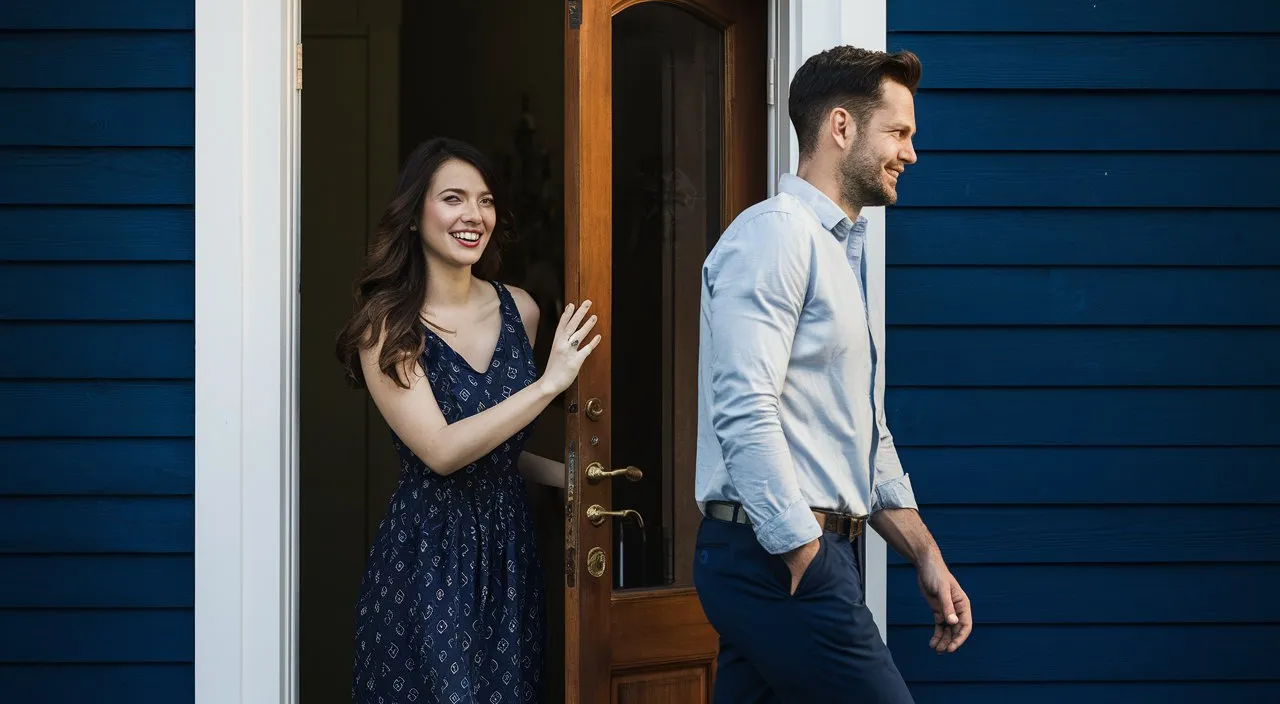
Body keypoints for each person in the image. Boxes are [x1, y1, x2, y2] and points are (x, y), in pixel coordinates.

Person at [692, 47, 972, 702]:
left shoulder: (841, 252)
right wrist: (802, 554)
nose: (911, 153)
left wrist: (924, 554)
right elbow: (743, 407)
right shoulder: (776, 237)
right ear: (841, 127)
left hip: (801, 556)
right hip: (777, 555)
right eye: (898, 132)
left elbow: (862, 436)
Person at [335, 137, 600, 703]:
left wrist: (577, 477)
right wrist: (551, 383)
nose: (472, 216)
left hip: (510, 550)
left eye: (484, 201)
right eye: (453, 198)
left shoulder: (521, 310)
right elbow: (442, 449)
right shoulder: (387, 328)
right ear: (414, 215)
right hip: (427, 551)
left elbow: (496, 445)